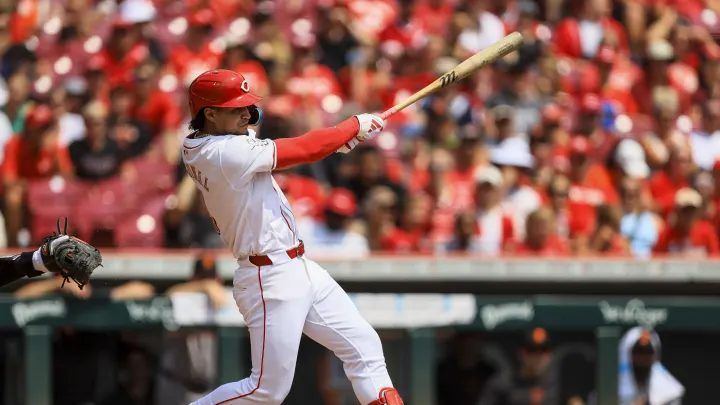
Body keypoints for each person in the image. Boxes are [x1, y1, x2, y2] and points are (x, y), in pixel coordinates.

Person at [182, 69, 402, 405]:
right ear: (209, 114)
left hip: (299, 266)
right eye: (235, 107)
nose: (246, 113)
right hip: (268, 275)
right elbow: (302, 149)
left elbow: (301, 147)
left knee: (365, 347)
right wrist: (352, 126)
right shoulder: (221, 154)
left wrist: (339, 141)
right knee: (266, 391)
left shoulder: (210, 141)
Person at [478, 327, 559, 405]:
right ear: (522, 353)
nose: (538, 358)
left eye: (543, 351)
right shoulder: (501, 384)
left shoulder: (557, 386)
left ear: (550, 355)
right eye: (532, 351)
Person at [617, 327, 684, 405]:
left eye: (648, 352)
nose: (642, 357)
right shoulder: (609, 387)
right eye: (638, 352)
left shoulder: (669, 391)